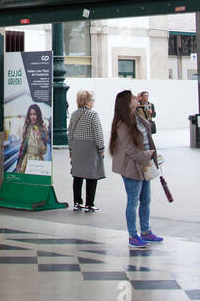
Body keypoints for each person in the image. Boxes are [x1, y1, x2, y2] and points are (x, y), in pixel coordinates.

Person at [108, 89, 162, 247]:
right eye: (132, 98)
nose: (136, 98)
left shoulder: (137, 116)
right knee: (133, 200)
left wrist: (150, 156)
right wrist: (146, 156)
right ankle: (133, 235)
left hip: (144, 163)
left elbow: (147, 135)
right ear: (126, 103)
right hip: (131, 166)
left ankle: (145, 231)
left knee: (146, 199)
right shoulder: (122, 124)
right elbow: (130, 149)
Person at [68, 90, 105, 212]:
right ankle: (89, 204)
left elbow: (70, 134)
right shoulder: (93, 115)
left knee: (77, 176)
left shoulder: (74, 114)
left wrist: (71, 149)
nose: (93, 102)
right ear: (87, 101)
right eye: (92, 100)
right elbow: (98, 133)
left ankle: (77, 202)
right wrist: (101, 148)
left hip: (77, 147)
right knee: (91, 176)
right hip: (90, 148)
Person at [14, 104, 50, 174]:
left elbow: (44, 151)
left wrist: (39, 139)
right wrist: (19, 163)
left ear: (38, 115)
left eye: (35, 114)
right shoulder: (26, 128)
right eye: (31, 114)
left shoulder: (43, 129)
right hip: (26, 161)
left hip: (37, 162)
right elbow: (22, 148)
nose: (32, 117)